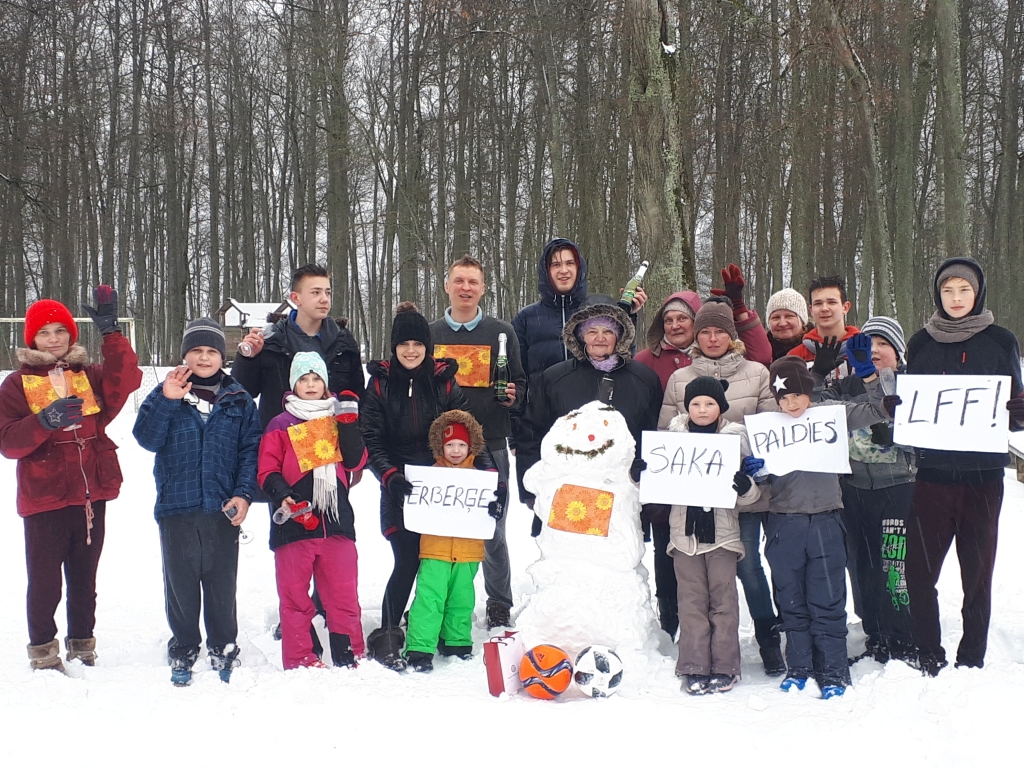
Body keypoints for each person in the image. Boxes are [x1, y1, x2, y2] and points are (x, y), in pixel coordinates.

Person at [0, 288, 142, 672]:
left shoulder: (88, 375)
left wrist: (112, 334)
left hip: (90, 493)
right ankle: (44, 653)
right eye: (44, 332)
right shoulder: (16, 384)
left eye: (60, 330)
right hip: (45, 497)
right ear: (32, 339)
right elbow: (8, 442)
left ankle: (82, 645)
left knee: (84, 578)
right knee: (45, 582)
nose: (54, 339)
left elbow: (126, 379)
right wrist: (44, 421)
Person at [901, 258, 1024, 676]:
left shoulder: (1001, 341)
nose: (955, 299)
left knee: (977, 574)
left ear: (978, 293)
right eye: (948, 290)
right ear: (938, 294)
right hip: (932, 477)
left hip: (982, 479)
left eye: (964, 290)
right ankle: (927, 651)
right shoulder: (921, 342)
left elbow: (1014, 408)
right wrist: (898, 409)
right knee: (918, 572)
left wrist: (1019, 412)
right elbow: (912, 405)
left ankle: (972, 656)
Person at [657, 299, 784, 675]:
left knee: (748, 568)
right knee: (698, 580)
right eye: (706, 332)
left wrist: (756, 466)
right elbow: (667, 434)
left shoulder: (757, 373)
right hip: (696, 497)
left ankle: (767, 638)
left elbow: (770, 427)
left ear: (732, 336)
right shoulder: (680, 378)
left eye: (720, 332)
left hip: (742, 492)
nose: (713, 338)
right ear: (696, 336)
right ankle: (697, 651)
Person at [133, 318, 262, 686]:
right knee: (181, 584)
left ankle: (223, 646)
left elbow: (250, 451)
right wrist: (167, 400)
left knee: (222, 583)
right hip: (177, 506)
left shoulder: (238, 398)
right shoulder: (167, 392)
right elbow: (146, 438)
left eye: (211, 351)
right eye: (196, 350)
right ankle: (184, 646)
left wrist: (243, 494)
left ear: (223, 357)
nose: (204, 358)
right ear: (184, 355)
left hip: (222, 507)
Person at [762, 347, 889, 698]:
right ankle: (799, 666)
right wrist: (754, 472)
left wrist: (869, 375)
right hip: (784, 522)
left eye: (798, 395)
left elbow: (879, 408)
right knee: (790, 600)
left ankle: (833, 669)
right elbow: (753, 475)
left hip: (826, 519)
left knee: (829, 598)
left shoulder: (831, 415)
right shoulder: (766, 426)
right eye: (784, 397)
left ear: (810, 390)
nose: (791, 404)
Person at [361, 302, 469, 670]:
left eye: (418, 344)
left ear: (427, 347)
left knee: (438, 563)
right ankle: (388, 630)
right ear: (394, 347)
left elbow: (467, 430)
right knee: (406, 559)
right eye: (404, 344)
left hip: (442, 486)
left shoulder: (443, 381)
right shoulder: (379, 384)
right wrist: (388, 475)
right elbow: (371, 438)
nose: (411, 350)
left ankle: (433, 624)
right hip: (399, 486)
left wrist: (490, 478)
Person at [429, 255, 525, 630]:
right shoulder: (431, 333)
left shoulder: (501, 332)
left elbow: (520, 381)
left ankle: (499, 601)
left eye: (473, 282)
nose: (465, 288)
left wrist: (515, 395)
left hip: (492, 443)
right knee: (438, 528)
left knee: (492, 528)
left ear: (483, 288)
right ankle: (435, 598)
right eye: (459, 281)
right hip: (441, 447)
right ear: (447, 286)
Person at [257, 352, 368, 670]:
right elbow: (266, 469)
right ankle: (301, 657)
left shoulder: (337, 418)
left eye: (316, 378)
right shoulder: (280, 424)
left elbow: (356, 462)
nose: (310, 384)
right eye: (303, 379)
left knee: (343, 595)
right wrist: (283, 495)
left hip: (336, 522)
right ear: (293, 384)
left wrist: (349, 425)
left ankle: (349, 653)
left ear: (325, 384)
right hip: (296, 522)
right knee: (294, 598)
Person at [815, 316, 916, 664]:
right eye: (868, 344)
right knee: (862, 563)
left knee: (895, 563)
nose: (874, 350)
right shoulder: (846, 386)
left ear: (898, 352)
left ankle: (902, 633)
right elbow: (809, 408)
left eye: (883, 344)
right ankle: (875, 630)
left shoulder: (912, 386)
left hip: (899, 485)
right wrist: (819, 373)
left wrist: (898, 433)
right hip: (854, 487)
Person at [517, 299, 661, 510]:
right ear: (580, 335)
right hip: (565, 492)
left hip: (624, 493)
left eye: (608, 331)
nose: (600, 338)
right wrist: (530, 491)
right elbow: (531, 433)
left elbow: (652, 434)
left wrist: (649, 482)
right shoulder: (555, 378)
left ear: (620, 335)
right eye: (592, 331)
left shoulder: (644, 379)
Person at [666, 377, 761, 695]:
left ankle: (725, 665)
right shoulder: (673, 442)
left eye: (709, 403)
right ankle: (693, 665)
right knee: (691, 602)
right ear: (686, 408)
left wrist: (746, 486)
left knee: (723, 602)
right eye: (695, 404)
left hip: (723, 535)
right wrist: (640, 473)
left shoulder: (735, 441)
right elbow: (655, 484)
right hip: (684, 536)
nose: (702, 409)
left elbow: (749, 497)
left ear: (721, 406)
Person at [405, 411, 506, 672]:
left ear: (471, 446)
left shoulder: (482, 479)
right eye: (450, 445)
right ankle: (419, 647)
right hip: (435, 549)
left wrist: (495, 506)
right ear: (441, 446)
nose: (456, 450)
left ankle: (457, 642)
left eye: (462, 444)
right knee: (429, 598)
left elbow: (492, 508)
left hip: (469, 550)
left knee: (462, 599)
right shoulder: (429, 476)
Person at [233, 263, 365, 429]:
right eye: (316, 292)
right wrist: (248, 360)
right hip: (279, 438)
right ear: (296, 298)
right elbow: (244, 392)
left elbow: (357, 397)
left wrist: (352, 437)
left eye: (327, 292)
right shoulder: (272, 341)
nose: (324, 299)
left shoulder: (343, 343)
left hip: (330, 441)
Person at [787, 276, 860, 385]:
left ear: (845, 307)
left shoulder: (865, 349)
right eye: (818, 303)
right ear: (811, 310)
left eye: (832, 302)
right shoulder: (796, 356)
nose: (824, 308)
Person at [765, 288, 812, 362]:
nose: (782, 323)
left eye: (789, 316)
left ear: (802, 321)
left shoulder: (817, 347)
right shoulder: (759, 352)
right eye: (776, 317)